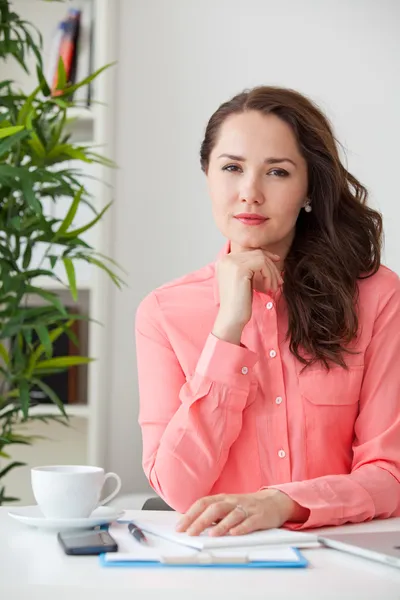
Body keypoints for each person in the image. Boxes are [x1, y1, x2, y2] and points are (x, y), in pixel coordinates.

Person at [135, 86, 400, 537]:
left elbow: (391, 475)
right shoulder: (163, 312)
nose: (250, 193)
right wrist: (227, 331)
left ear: (309, 189)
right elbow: (177, 488)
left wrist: (283, 504)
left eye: (277, 172)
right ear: (207, 175)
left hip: (341, 557)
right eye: (232, 168)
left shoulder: (377, 296)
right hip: (217, 563)